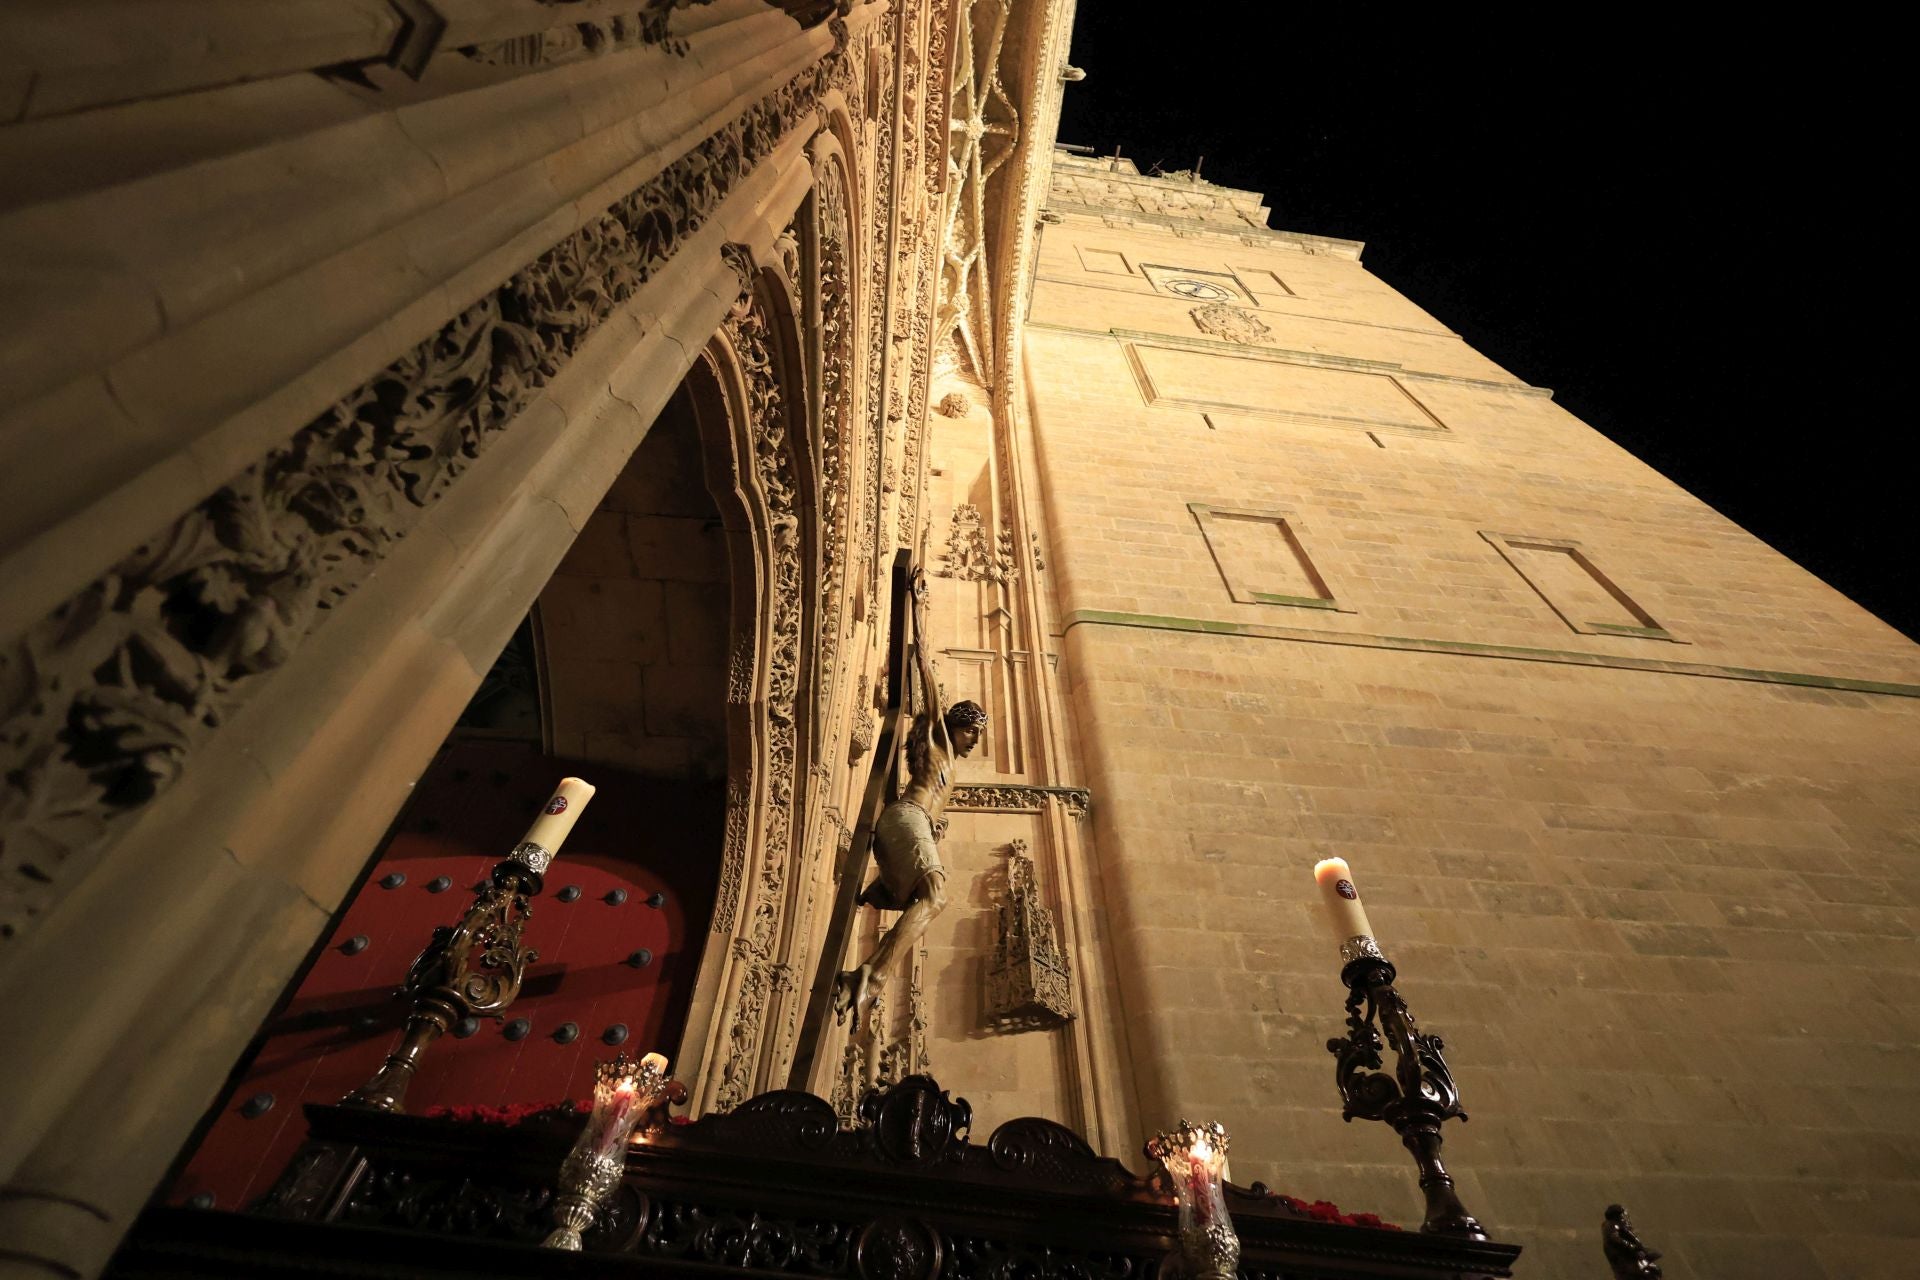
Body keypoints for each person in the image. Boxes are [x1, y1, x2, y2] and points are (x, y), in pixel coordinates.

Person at [832, 571, 986, 1032]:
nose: (975, 741)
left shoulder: (950, 765)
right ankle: (872, 976)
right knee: (936, 895)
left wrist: (936, 827)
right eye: (971, 731)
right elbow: (927, 674)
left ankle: (869, 973)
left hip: (914, 823)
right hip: (904, 817)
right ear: (954, 725)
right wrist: (917, 609)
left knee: (932, 898)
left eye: (977, 734)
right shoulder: (938, 736)